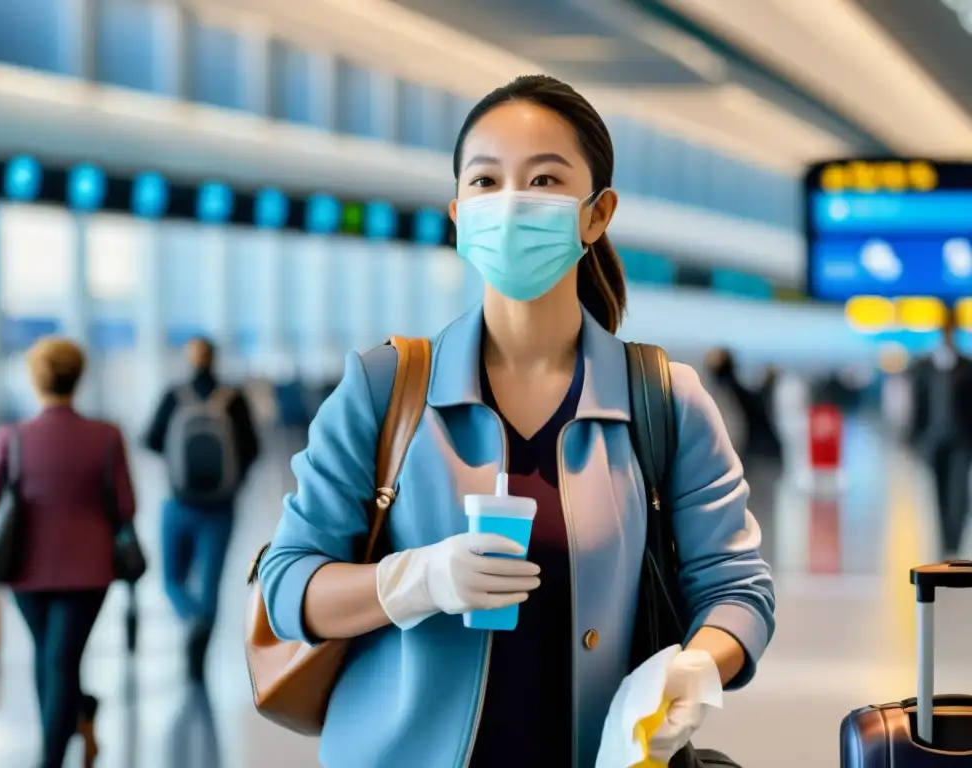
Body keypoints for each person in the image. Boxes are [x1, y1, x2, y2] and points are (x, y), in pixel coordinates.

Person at [259, 75, 775, 767]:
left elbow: (737, 589)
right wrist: (418, 580)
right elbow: (289, 585)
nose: (509, 204)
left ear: (597, 214)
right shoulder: (383, 390)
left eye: (543, 179)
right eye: (485, 181)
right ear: (456, 212)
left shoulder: (664, 400)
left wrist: (697, 668)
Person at [0, 337, 136, 768]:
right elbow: (125, 507)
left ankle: (49, 759)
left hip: (27, 568)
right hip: (91, 568)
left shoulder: (14, 437)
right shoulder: (107, 436)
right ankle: (78, 713)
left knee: (54, 659)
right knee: (58, 658)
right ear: (78, 377)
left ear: (35, 378)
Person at [143, 336, 259, 680]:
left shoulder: (174, 396)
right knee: (210, 584)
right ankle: (199, 660)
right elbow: (252, 448)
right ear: (215, 359)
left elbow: (150, 439)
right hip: (221, 507)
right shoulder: (233, 399)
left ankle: (189, 618)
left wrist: (178, 463)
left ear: (189, 359)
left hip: (178, 503)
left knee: (171, 580)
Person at [908, 312, 972, 556]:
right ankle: (943, 539)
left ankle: (954, 541)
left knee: (958, 492)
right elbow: (918, 406)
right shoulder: (924, 368)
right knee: (937, 492)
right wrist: (913, 437)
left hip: (962, 440)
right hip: (933, 439)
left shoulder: (967, 367)